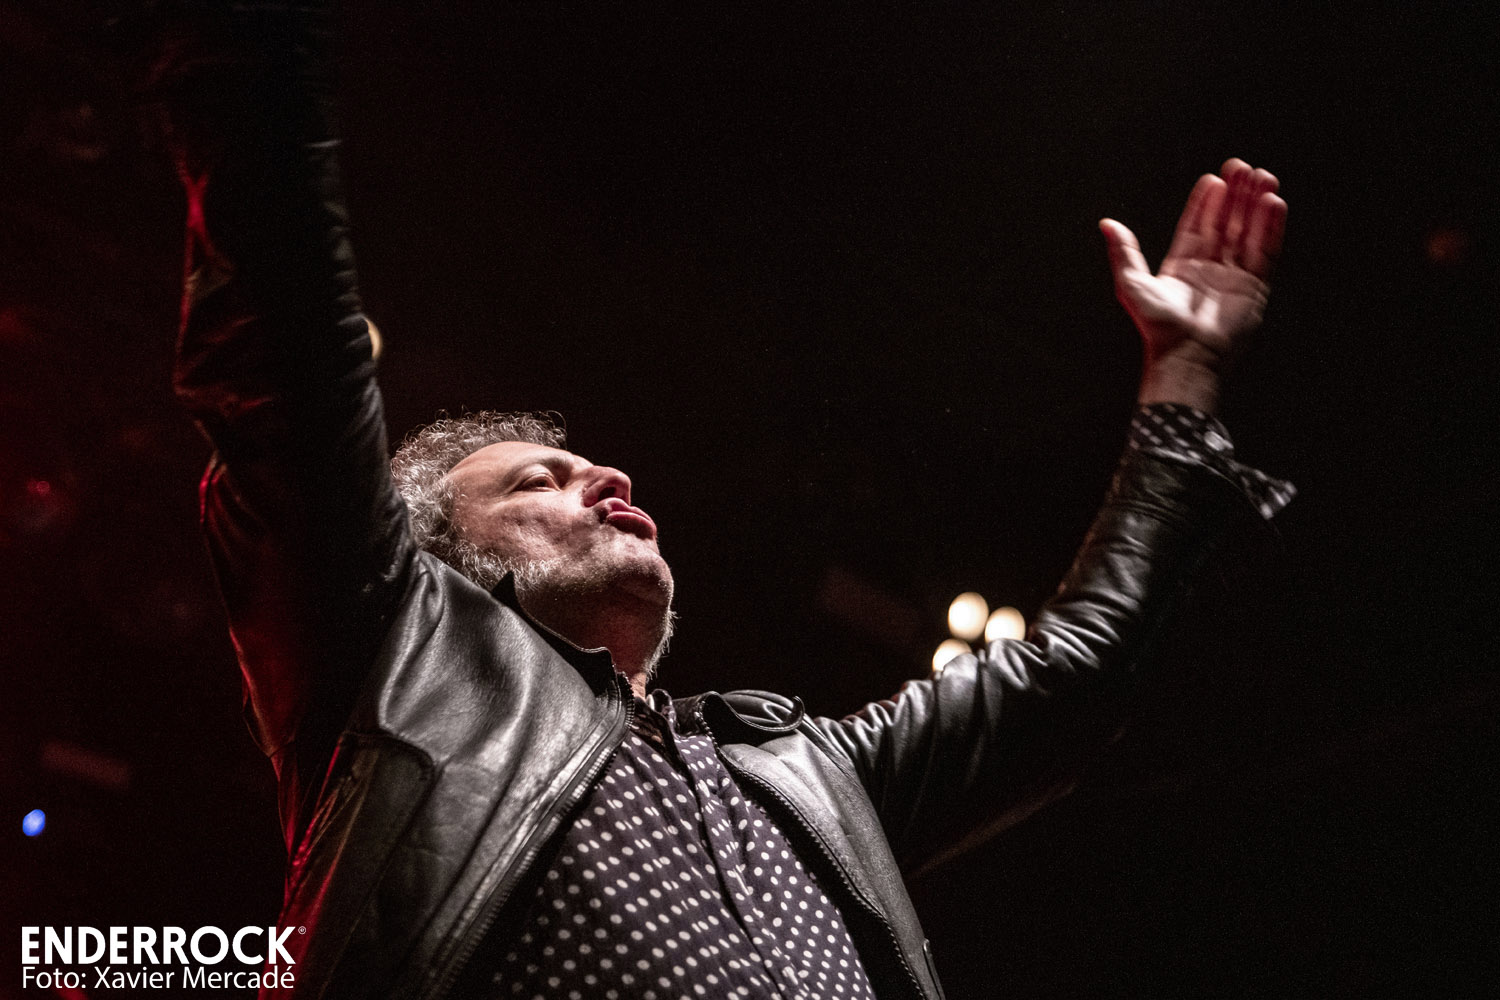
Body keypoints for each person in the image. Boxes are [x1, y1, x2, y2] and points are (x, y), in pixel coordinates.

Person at [157, 5, 1289, 998]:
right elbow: (286, 333)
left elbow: (1076, 674)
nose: (608, 478)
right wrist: (246, 45)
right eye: (538, 480)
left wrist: (1183, 378)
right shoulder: (396, 666)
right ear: (440, 567)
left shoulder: (807, 776)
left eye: (589, 467)